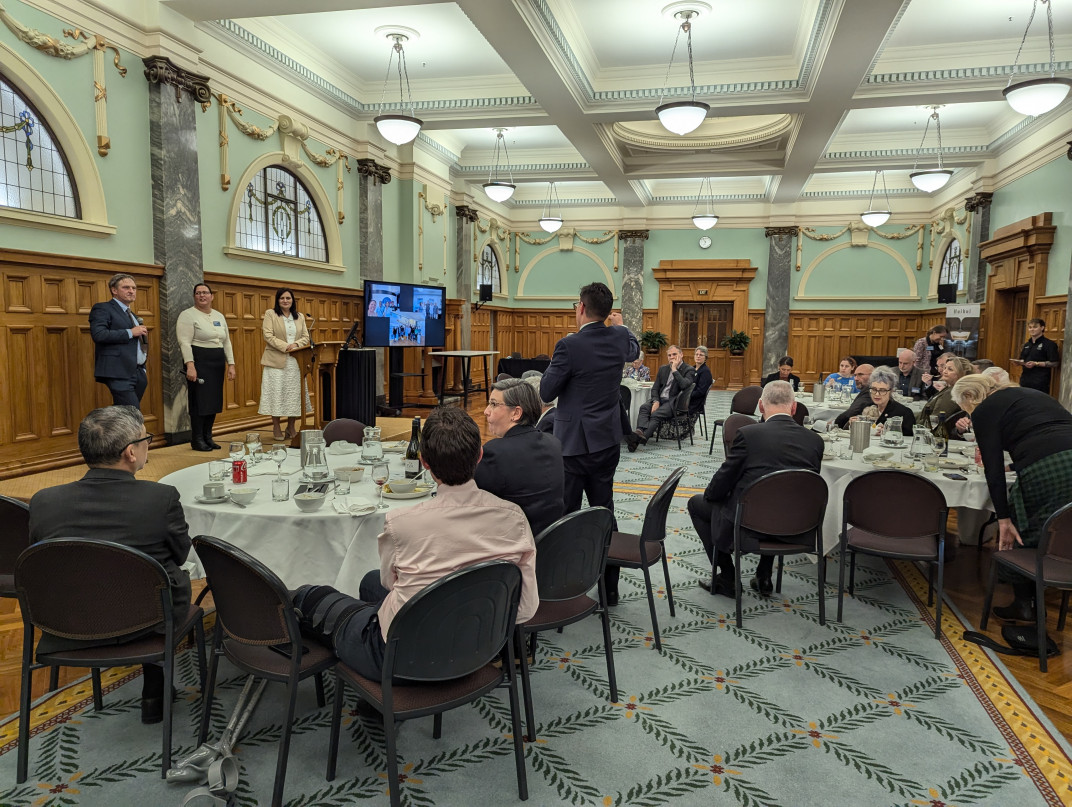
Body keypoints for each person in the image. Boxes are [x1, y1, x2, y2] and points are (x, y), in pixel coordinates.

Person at [292, 406, 538, 681]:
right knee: (368, 582)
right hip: (478, 648)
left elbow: (391, 582)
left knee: (308, 596)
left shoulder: (401, 522)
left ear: (425, 462)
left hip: (400, 658)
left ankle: (374, 688)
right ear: (479, 456)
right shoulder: (514, 517)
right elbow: (526, 608)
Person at [28, 405, 191, 725]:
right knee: (157, 585)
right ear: (131, 452)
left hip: (65, 622)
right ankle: (154, 694)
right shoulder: (161, 498)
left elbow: (41, 563)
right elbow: (182, 555)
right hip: (148, 622)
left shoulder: (43, 502)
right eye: (146, 439)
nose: (148, 445)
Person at [540, 282, 639, 605]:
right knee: (603, 512)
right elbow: (635, 349)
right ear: (608, 312)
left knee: (565, 516)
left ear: (581, 308)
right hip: (607, 440)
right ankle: (609, 588)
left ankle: (561, 588)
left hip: (571, 446)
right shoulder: (620, 337)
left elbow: (545, 392)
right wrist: (621, 325)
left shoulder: (569, 346)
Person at [952, 374, 1072, 621]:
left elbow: (992, 470)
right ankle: (1058, 575)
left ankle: (1024, 604)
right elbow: (1050, 436)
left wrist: (1003, 518)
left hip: (1048, 467)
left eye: (964, 408)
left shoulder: (984, 410)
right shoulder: (1032, 394)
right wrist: (1017, 466)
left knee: (1023, 525)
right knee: (1062, 525)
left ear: (969, 397)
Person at [687, 381, 823, 596]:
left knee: (697, 504)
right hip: (797, 526)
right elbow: (804, 487)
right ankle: (764, 574)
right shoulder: (815, 441)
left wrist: (714, 496)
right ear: (794, 407)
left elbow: (721, 483)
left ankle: (729, 577)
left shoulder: (748, 435)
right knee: (778, 498)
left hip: (749, 526)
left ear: (760, 406)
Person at [475, 378, 565, 537]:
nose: (486, 411)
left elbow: (472, 503)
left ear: (516, 413)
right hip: (552, 544)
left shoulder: (494, 452)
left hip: (513, 545)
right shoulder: (554, 443)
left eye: (494, 404)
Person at [177, 283, 236, 452]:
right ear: (194, 296)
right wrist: (190, 365)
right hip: (199, 361)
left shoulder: (219, 315)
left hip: (217, 363)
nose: (202, 296)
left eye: (205, 293)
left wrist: (231, 364)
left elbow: (226, 342)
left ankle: (208, 437)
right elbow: (184, 342)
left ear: (212, 296)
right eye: (198, 293)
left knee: (213, 401)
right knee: (200, 401)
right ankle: (197, 439)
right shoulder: (187, 315)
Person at [89, 273, 149, 407]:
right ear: (114, 290)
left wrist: (142, 368)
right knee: (131, 413)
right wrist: (130, 332)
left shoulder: (131, 314)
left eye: (134, 288)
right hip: (118, 372)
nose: (131, 291)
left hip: (137, 372)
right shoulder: (103, 308)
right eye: (126, 287)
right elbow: (99, 334)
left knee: (123, 414)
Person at [259, 288, 311, 440]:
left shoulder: (300, 316)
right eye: (282, 298)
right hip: (275, 360)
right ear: (278, 300)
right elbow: (267, 335)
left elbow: (305, 336)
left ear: (293, 300)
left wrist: (295, 345)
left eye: (288, 298)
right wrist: (285, 346)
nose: (285, 301)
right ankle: (276, 427)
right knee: (276, 394)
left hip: (296, 361)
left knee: (294, 396)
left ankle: (291, 427)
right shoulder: (271, 314)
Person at [630, 344, 696, 449]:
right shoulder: (663, 369)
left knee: (656, 414)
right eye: (669, 355)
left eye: (674, 354)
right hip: (660, 400)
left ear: (681, 355)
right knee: (644, 407)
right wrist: (656, 401)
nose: (672, 357)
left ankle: (639, 439)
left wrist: (674, 370)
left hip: (674, 402)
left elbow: (684, 385)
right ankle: (640, 431)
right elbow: (655, 388)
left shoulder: (689, 370)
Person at [848, 365, 915, 436]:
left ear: (891, 391)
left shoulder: (904, 413)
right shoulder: (864, 406)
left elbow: (909, 439)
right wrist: (853, 424)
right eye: (874, 389)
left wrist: (889, 433)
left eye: (882, 390)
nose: (877, 394)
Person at [919, 356, 972, 438]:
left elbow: (935, 419)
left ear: (962, 374)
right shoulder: (949, 389)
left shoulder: (952, 393)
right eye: (945, 368)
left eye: (950, 369)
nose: (945, 371)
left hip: (931, 436)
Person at [1014, 318, 1059, 393]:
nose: (1032, 329)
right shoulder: (1026, 345)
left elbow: (1055, 363)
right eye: (1030, 327)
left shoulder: (1049, 344)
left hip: (1040, 382)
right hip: (1025, 380)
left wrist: (1036, 363)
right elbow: (1022, 359)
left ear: (1042, 328)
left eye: (1035, 327)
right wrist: (1018, 362)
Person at [690, 346, 713, 419]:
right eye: (696, 354)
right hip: (689, 398)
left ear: (705, 358)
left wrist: (686, 395)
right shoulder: (692, 369)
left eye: (701, 355)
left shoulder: (705, 372)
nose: (698, 356)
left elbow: (700, 392)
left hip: (695, 403)